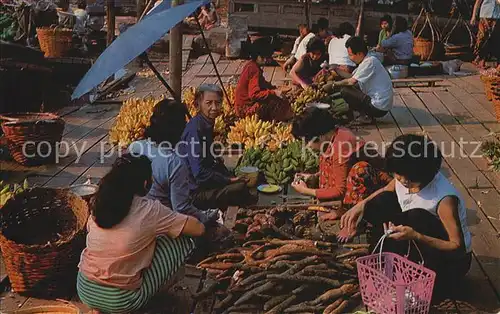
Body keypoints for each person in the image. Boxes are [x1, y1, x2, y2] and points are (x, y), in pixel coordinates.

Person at [339, 134, 472, 295]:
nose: (400, 180)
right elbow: (387, 190)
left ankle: (417, 275)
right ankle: (388, 260)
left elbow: (457, 247)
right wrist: (360, 205)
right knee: (381, 201)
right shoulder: (403, 178)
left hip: (449, 264)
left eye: (405, 177)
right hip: (416, 241)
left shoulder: (444, 199)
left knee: (417, 215)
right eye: (397, 174)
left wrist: (416, 236)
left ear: (421, 173)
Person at [77, 154, 205, 313]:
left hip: (85, 289)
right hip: (122, 300)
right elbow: (198, 229)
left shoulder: (99, 202)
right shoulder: (150, 210)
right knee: (182, 238)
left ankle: (98, 307)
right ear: (145, 183)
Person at [290, 108, 391, 220]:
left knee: (360, 170)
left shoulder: (340, 145)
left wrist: (306, 191)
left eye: (307, 140)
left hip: (380, 189)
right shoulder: (334, 135)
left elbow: (339, 190)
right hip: (355, 180)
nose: (307, 146)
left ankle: (351, 214)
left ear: (320, 136)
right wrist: (314, 176)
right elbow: (338, 168)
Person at [128, 99, 217, 225]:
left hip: (134, 217)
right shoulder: (175, 163)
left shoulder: (135, 147)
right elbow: (181, 208)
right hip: (159, 224)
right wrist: (204, 218)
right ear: (178, 129)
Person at [178, 84, 257, 210]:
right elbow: (199, 173)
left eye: (218, 103)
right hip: (193, 193)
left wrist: (227, 174)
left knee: (239, 180)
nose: (214, 108)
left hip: (204, 183)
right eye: (209, 103)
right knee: (239, 187)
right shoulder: (195, 130)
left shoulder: (205, 124)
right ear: (197, 104)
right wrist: (228, 180)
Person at [323, 36, 393, 122]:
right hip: (381, 104)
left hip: (379, 107)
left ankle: (365, 116)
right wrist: (336, 69)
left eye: (351, 55)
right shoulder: (367, 60)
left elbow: (351, 81)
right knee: (348, 87)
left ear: (360, 54)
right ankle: (365, 114)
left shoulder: (369, 62)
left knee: (345, 90)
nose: (350, 58)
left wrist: (334, 84)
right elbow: (351, 77)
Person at [234, 42, 293, 121]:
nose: (267, 60)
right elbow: (254, 95)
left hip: (241, 106)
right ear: (258, 57)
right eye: (264, 58)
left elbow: (261, 83)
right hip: (244, 109)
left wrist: (274, 88)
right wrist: (274, 92)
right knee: (277, 102)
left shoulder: (251, 64)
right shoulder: (254, 70)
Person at [471, 0, 500, 69]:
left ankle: (497, 63)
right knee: (483, 38)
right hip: (485, 15)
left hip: (497, 16)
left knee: (495, 39)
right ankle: (481, 60)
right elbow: (478, 2)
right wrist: (474, 16)